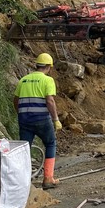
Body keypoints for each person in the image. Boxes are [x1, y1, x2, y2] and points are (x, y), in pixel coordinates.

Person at [13, 53, 62, 189]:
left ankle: (23, 182)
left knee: (24, 149)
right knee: (50, 143)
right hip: (41, 120)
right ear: (48, 67)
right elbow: (50, 101)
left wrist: (22, 114)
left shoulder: (23, 80)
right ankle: (48, 179)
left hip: (24, 120)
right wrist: (56, 119)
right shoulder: (47, 80)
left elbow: (16, 101)